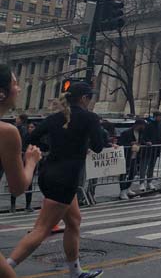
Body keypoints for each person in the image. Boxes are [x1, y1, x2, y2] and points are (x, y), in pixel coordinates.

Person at [6, 81, 104, 278]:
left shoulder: (54, 118)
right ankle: (6, 268)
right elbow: (99, 146)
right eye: (90, 98)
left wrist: (50, 148)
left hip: (49, 173)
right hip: (66, 179)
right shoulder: (89, 118)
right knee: (41, 229)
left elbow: (32, 138)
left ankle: (75, 271)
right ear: (84, 99)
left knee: (74, 220)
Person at [0, 65, 42, 277]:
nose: (18, 89)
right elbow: (18, 188)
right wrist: (31, 161)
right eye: (15, 84)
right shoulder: (7, 132)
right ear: (2, 93)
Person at [118, 119, 146, 200]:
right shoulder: (126, 132)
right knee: (124, 173)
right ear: (138, 125)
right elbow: (120, 143)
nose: (143, 127)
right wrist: (130, 144)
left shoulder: (140, 133)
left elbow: (140, 141)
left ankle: (127, 187)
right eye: (142, 125)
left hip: (135, 155)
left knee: (133, 172)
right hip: (127, 155)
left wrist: (145, 143)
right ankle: (122, 191)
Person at [141, 110, 161, 191]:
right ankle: (142, 182)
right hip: (147, 149)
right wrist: (147, 142)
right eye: (160, 116)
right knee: (144, 166)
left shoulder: (159, 125)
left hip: (155, 149)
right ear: (156, 116)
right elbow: (143, 137)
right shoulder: (148, 125)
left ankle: (149, 181)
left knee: (151, 167)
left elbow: (159, 137)